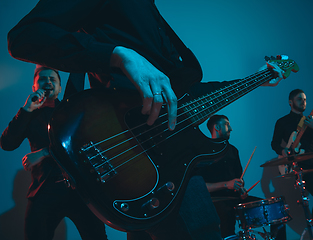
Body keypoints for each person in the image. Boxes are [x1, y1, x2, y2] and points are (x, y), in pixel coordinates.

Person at [6, 1, 285, 239]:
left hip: (167, 161)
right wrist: (119, 55)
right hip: (132, 145)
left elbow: (184, 95)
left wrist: (256, 80)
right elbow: (25, 36)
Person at [0, 65, 108, 240]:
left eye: (53, 79)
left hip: (79, 189)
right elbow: (7, 143)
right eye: (42, 79)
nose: (48, 82)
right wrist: (27, 109)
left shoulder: (69, 110)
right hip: (43, 191)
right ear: (34, 87)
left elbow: (78, 144)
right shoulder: (29, 115)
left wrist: (43, 153)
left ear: (59, 88)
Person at [193, 114, 287, 239]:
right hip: (215, 201)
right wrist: (226, 184)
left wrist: (241, 189)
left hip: (235, 198)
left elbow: (238, 179)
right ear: (216, 127)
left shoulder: (232, 150)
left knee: (276, 210)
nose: (230, 128)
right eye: (227, 125)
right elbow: (199, 187)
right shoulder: (202, 153)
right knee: (226, 216)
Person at [271, 89, 313, 196]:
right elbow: (274, 143)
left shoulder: (310, 121)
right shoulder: (282, 122)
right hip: (301, 166)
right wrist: (282, 150)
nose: (303, 102)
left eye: (305, 100)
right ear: (290, 102)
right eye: (299, 99)